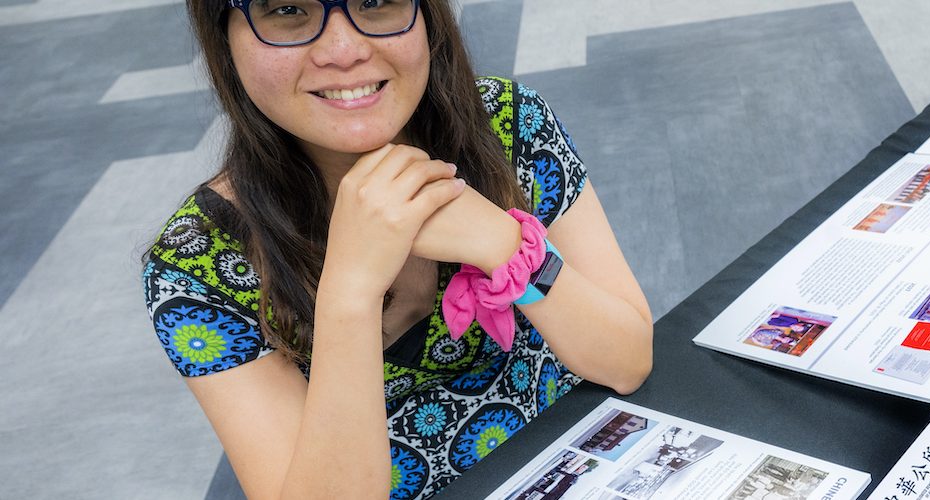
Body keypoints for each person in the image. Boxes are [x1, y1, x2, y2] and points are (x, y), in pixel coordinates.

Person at [140, 0, 653, 497]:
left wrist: (507, 247)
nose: (343, 50)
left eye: (376, 0)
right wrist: (350, 291)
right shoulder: (198, 265)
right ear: (223, 39)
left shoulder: (509, 126)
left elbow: (628, 360)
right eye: (288, 10)